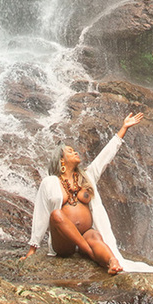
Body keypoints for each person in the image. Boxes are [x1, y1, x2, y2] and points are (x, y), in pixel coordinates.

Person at [25, 111, 144, 275]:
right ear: (61, 160)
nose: (75, 152)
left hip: (87, 232)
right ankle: (90, 252)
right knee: (56, 215)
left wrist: (124, 128)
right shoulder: (50, 182)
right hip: (63, 242)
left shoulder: (87, 176)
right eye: (70, 151)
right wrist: (33, 248)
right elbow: (41, 213)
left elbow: (105, 156)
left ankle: (112, 261)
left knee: (96, 237)